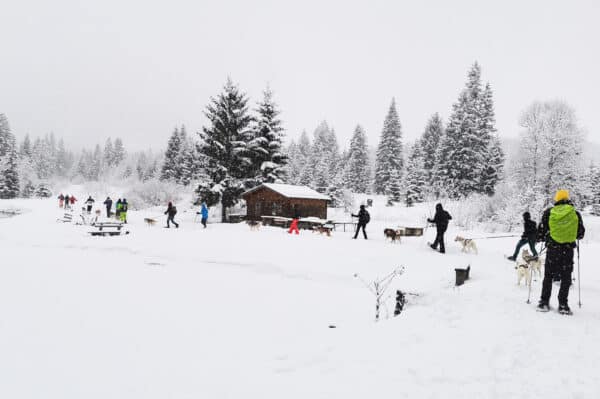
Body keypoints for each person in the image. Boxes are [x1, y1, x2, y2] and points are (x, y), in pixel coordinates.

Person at [537, 190, 585, 314]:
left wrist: (544, 237)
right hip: (568, 250)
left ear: (556, 199)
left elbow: (541, 233)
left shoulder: (548, 213)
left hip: (552, 249)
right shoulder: (575, 213)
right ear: (567, 199)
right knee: (566, 277)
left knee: (548, 276)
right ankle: (563, 305)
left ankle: (544, 302)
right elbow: (580, 234)